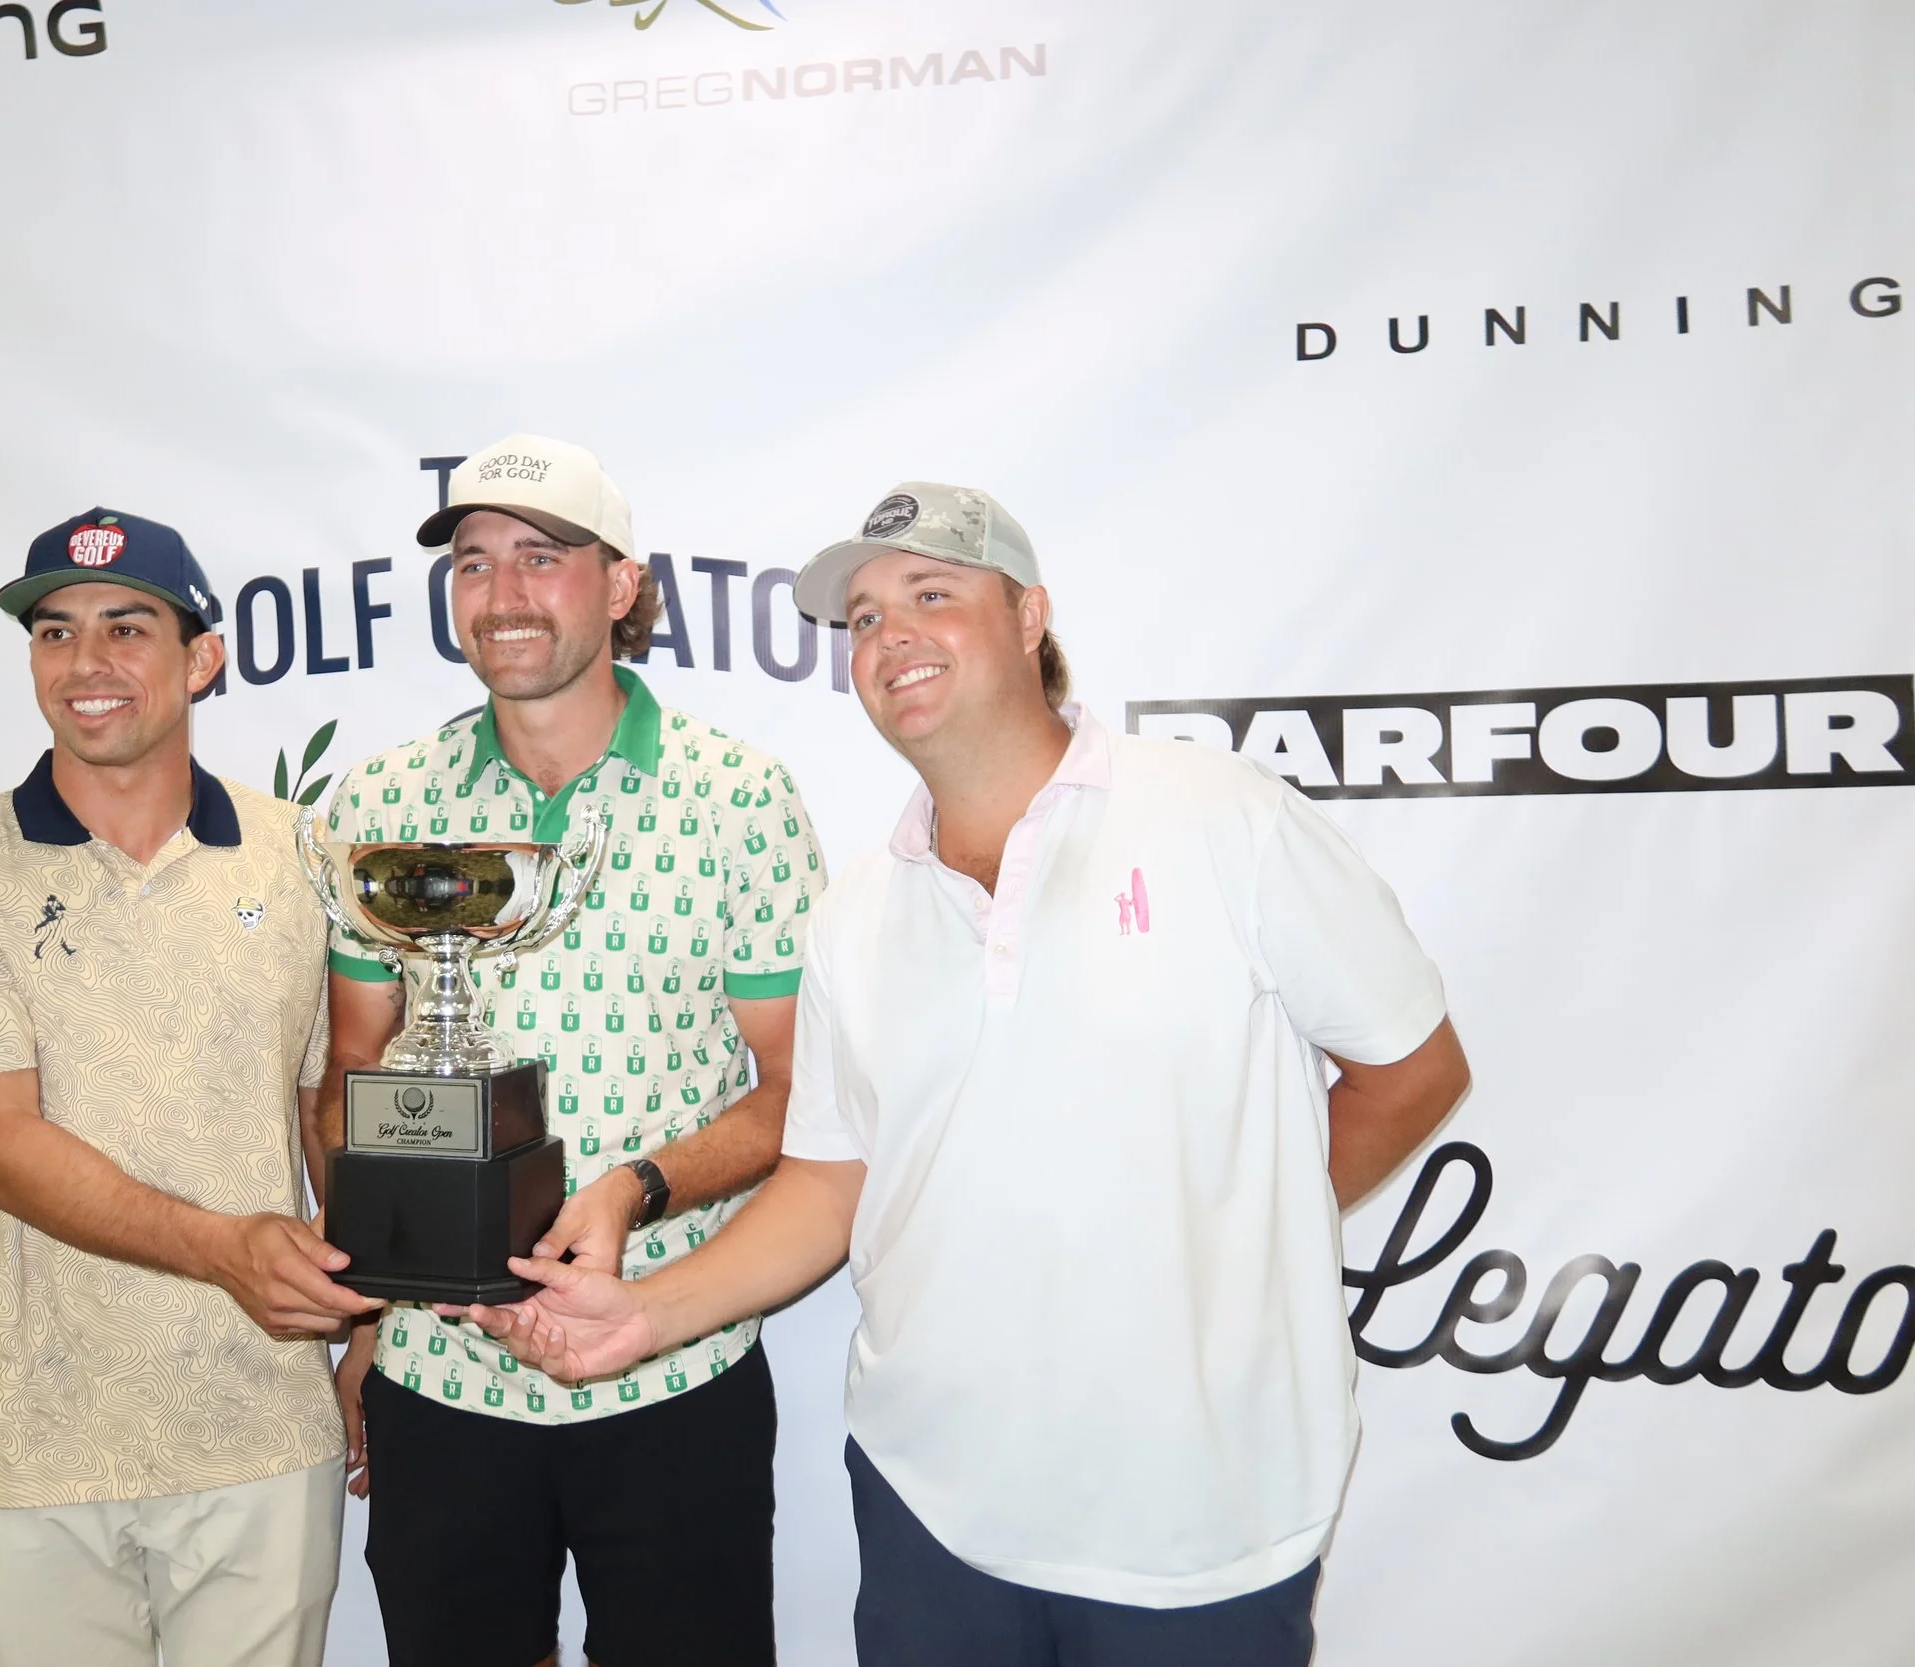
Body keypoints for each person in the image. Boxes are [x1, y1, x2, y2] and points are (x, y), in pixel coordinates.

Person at [469, 483, 1474, 1667]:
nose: (890, 635)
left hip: (1203, 1518)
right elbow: (829, 1181)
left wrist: (1236, 1236)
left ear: (1029, 615)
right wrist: (646, 1312)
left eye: (931, 594)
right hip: (928, 1505)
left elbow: (1413, 1069)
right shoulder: (855, 911)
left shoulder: (1220, 817)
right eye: (862, 618)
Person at [321, 434, 826, 1667]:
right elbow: (348, 1075)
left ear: (622, 585)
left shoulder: (736, 799)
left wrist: (632, 1189)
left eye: (542, 557)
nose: (501, 593)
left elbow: (798, 1093)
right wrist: (380, 1305)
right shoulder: (379, 807)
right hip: (442, 1377)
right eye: (473, 562)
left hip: (671, 1362)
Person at [0, 508, 378, 1667]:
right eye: (55, 631)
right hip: (29, 1429)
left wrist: (372, 1322)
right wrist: (224, 1247)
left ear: (202, 658)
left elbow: (335, 1108)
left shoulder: (305, 857)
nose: (85, 661)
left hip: (259, 1416)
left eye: (126, 626)